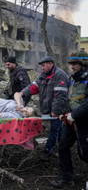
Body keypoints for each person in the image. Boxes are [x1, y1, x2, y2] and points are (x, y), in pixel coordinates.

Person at [20, 56, 69, 161]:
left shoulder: (59, 75)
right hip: (49, 108)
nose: (42, 68)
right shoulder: (43, 75)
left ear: (50, 64)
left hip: (60, 109)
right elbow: (33, 87)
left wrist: (55, 111)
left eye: (43, 66)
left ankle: (48, 151)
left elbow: (60, 96)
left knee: (54, 130)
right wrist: (22, 93)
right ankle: (62, 149)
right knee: (59, 129)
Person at [51, 51, 88, 188]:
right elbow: (69, 99)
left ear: (83, 63)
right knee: (63, 147)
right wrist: (63, 113)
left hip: (84, 122)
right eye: (71, 64)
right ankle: (67, 179)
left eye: (75, 64)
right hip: (70, 121)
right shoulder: (73, 79)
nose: (72, 67)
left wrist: (74, 114)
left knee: (84, 153)